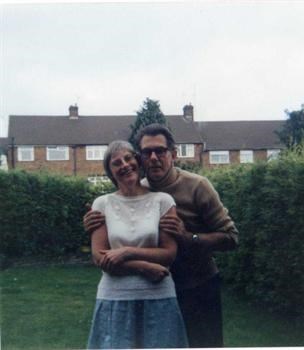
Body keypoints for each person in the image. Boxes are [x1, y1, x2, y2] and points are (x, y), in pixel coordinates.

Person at [84, 124, 239, 348]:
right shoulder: (141, 189)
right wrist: (93, 222)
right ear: (140, 158)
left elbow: (231, 237)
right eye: (147, 152)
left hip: (197, 285)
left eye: (160, 151)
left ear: (173, 154)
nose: (154, 157)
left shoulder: (197, 186)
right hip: (156, 287)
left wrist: (188, 237)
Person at [87, 140, 188, 349]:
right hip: (114, 297)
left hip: (159, 296)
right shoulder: (102, 204)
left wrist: (125, 252)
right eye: (116, 163)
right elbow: (99, 256)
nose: (124, 165)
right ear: (110, 172)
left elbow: (168, 254)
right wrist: (145, 266)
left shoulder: (163, 201)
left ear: (138, 162)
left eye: (128, 158)